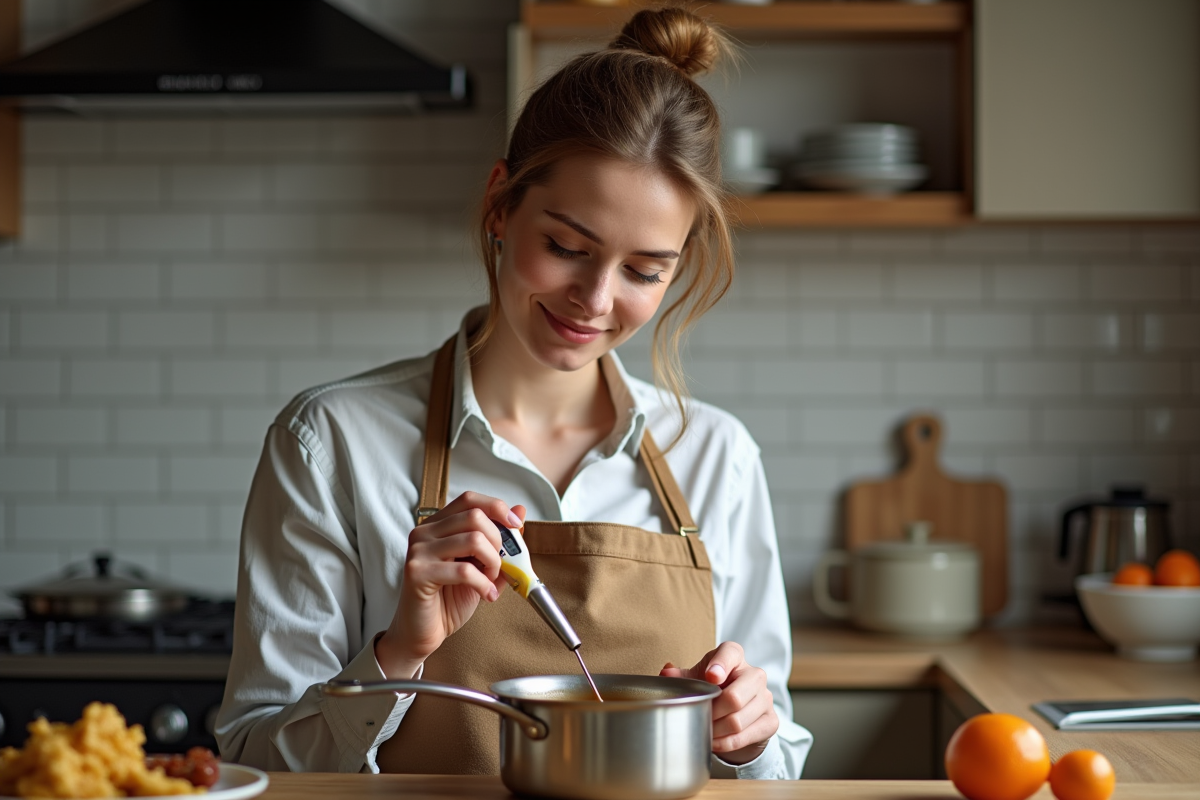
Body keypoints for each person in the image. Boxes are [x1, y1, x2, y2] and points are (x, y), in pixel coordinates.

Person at [215, 3, 812, 780]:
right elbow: (257, 757)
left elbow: (780, 763)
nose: (595, 299)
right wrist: (399, 650)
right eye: (566, 246)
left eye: (644, 270)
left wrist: (750, 737)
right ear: (501, 204)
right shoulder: (331, 441)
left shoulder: (716, 455)